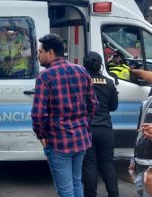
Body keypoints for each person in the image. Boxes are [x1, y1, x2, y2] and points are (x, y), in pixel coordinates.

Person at [31, 33, 98, 197]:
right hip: (81, 138)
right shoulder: (82, 71)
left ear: (51, 53)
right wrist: (83, 125)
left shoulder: (45, 77)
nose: (38, 55)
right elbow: (93, 104)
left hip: (58, 141)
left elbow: (38, 113)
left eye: (40, 51)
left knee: (65, 189)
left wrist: (41, 135)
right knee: (76, 183)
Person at [82, 51, 119, 197]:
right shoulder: (109, 82)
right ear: (100, 65)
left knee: (89, 165)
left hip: (87, 128)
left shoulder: (82, 81)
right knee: (107, 164)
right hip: (105, 129)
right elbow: (113, 106)